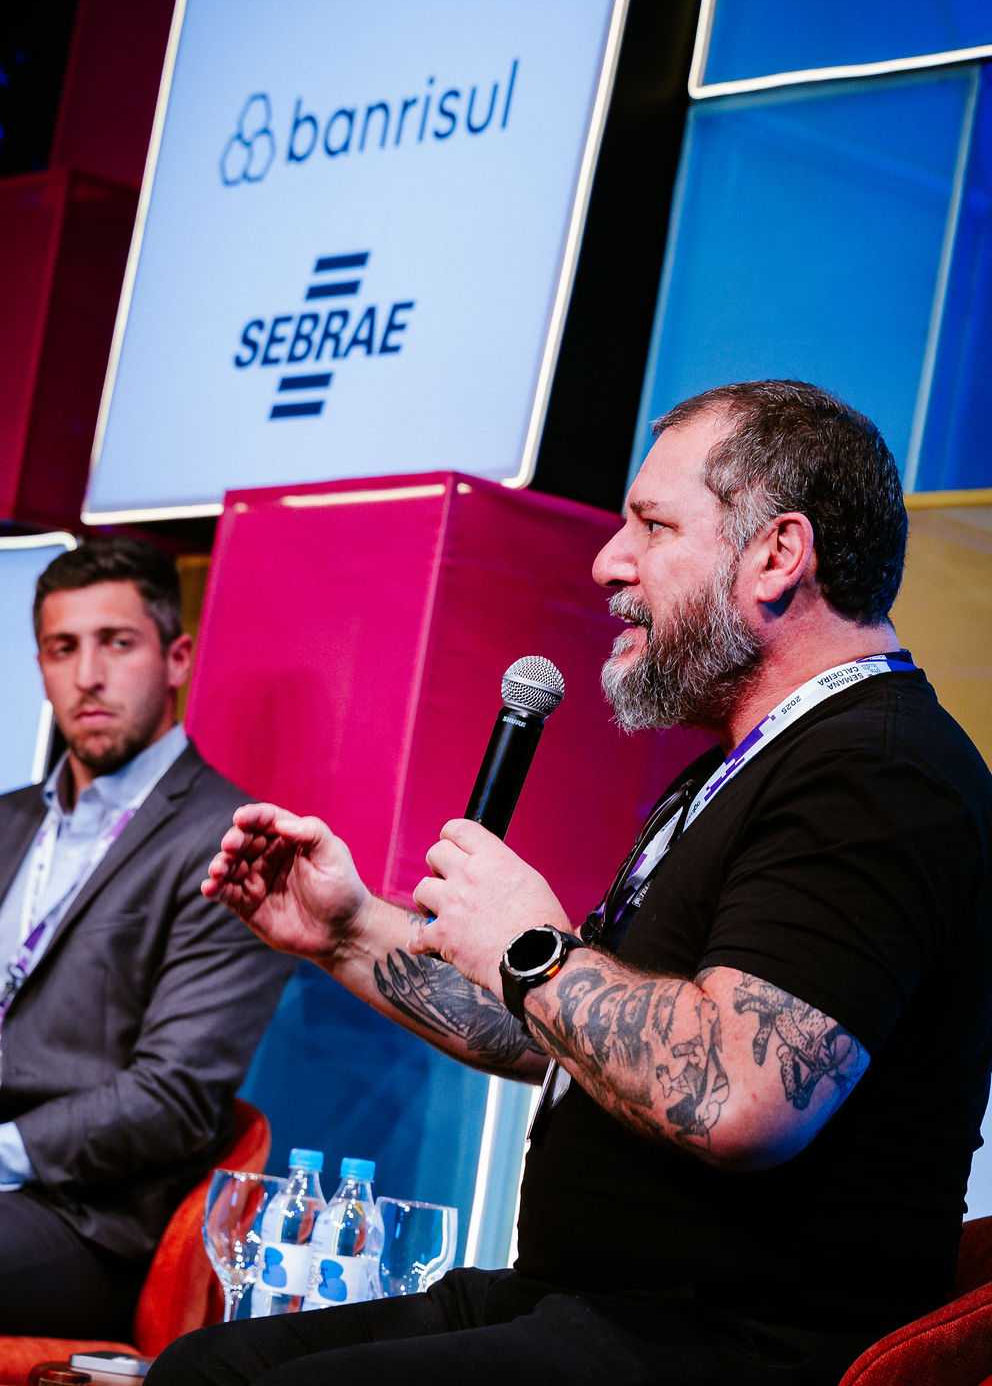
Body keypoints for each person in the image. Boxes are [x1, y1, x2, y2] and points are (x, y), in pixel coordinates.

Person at [150, 381, 992, 1386]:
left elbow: (738, 1093)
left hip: (734, 1343)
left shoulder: (878, 772)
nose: (608, 562)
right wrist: (346, 930)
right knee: (204, 1371)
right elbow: (581, 1031)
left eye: (653, 526)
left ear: (777, 555)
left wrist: (532, 947)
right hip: (586, 1304)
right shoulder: (745, 765)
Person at [0, 537, 294, 1337]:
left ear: (176, 658)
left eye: (116, 643)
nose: (88, 675)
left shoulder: (232, 844)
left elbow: (171, 1099)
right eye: (62, 649)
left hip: (85, 1221)